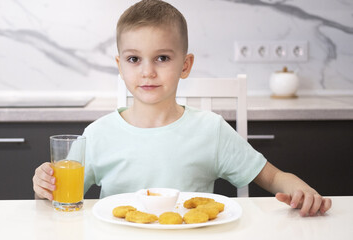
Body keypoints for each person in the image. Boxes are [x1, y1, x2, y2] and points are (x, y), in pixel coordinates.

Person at [33, 0, 331, 217]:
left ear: (185, 65)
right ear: (120, 66)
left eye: (162, 58)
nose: (147, 72)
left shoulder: (210, 130)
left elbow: (273, 177)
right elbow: (56, 203)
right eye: (134, 59)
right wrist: (42, 187)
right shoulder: (97, 135)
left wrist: (301, 190)